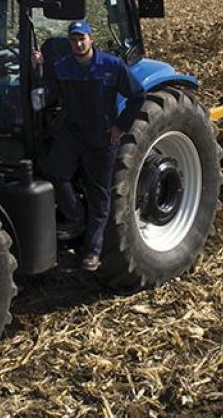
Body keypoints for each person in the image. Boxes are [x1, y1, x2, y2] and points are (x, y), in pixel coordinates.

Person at [32, 20, 145, 271]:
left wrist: (120, 127)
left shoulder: (111, 66)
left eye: (82, 38)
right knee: (54, 172)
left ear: (91, 39)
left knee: (99, 195)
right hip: (72, 134)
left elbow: (138, 96)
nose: (78, 43)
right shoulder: (62, 67)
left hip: (100, 138)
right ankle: (75, 216)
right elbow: (48, 94)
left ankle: (93, 251)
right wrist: (39, 69)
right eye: (73, 39)